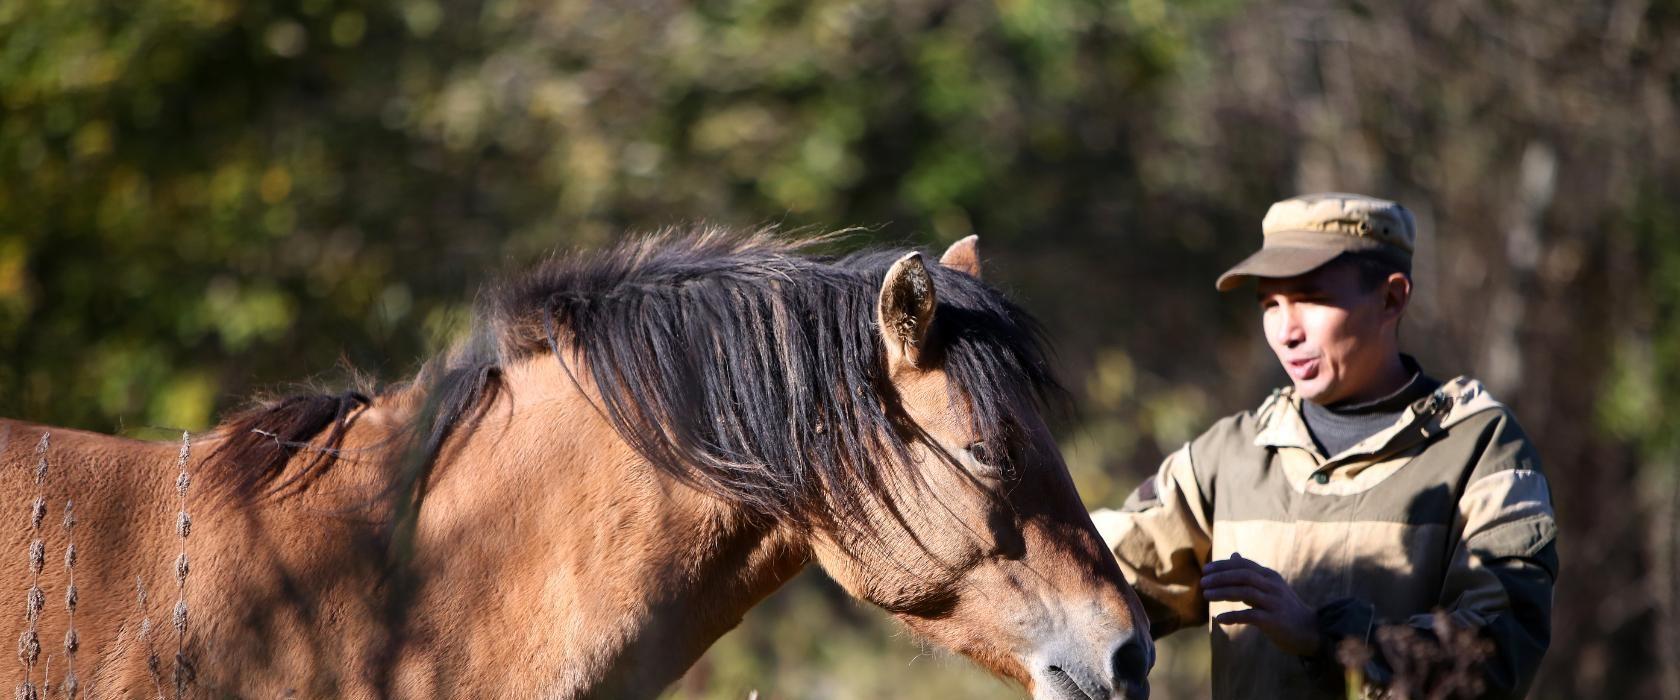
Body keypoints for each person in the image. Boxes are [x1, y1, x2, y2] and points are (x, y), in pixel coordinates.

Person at [1091, 193, 1557, 698]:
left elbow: (1497, 652)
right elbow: (1094, 578)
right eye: (1270, 304)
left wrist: (1324, 638)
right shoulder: (1231, 454)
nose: (1286, 331)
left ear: (1391, 298)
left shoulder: (1481, 448)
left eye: (1310, 298)